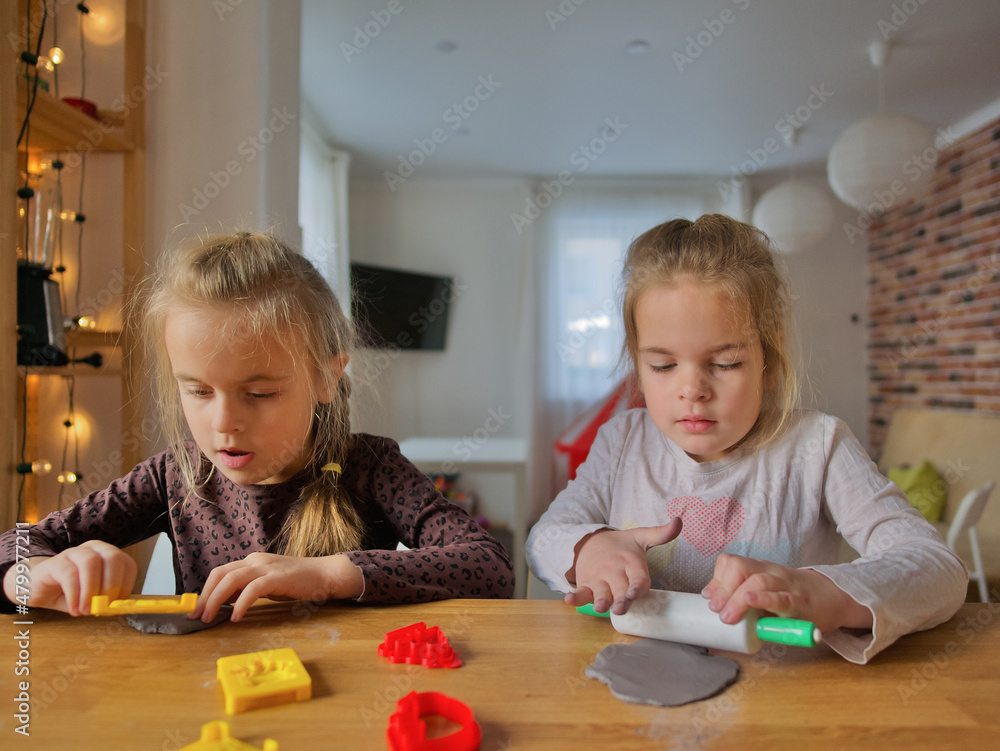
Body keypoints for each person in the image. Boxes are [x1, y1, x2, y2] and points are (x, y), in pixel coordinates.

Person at [0, 232, 514, 622]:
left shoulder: (371, 468)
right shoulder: (174, 477)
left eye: (260, 394)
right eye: (198, 391)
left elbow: (489, 567)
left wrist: (329, 574)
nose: (223, 423)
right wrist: (34, 575)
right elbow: (15, 547)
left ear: (326, 376)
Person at [526, 214, 967, 664]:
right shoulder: (621, 442)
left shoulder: (818, 447)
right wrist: (588, 548)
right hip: (634, 689)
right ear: (638, 365)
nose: (692, 389)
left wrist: (825, 593)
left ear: (768, 361)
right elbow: (542, 539)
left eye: (726, 363)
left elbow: (939, 569)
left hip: (780, 702)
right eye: (662, 366)